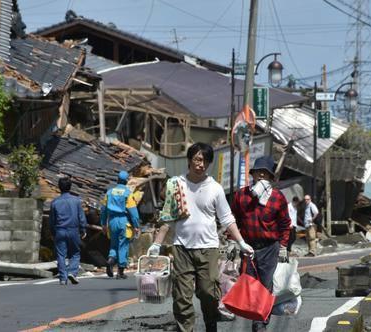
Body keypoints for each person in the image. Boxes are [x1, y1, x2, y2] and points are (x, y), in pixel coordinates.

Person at [146, 142, 254, 332]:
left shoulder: (215, 188)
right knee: (182, 295)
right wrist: (156, 244)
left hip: (209, 248)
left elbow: (227, 218)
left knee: (208, 291)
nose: (200, 164)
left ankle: (211, 323)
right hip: (181, 248)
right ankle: (186, 329)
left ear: (209, 164)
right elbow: (167, 218)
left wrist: (241, 242)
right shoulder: (176, 184)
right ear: (189, 160)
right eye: (197, 159)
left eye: (205, 160)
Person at [231, 155, 291, 332]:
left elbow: (285, 224)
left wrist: (283, 247)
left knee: (265, 287)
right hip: (247, 247)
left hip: (269, 249)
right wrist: (232, 242)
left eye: (266, 174)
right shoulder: (241, 195)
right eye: (259, 173)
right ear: (253, 175)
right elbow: (232, 220)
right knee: (250, 285)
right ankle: (256, 319)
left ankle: (260, 324)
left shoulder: (277, 197)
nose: (262, 177)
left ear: (271, 178)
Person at [100, 170, 140, 279]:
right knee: (123, 245)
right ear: (126, 181)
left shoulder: (109, 192)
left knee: (113, 244)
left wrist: (103, 224)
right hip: (123, 221)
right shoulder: (128, 193)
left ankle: (110, 260)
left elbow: (103, 209)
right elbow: (133, 211)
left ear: (117, 180)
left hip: (111, 221)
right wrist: (136, 225)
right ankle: (120, 271)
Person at [49, 177, 87, 285]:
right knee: (75, 253)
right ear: (70, 187)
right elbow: (81, 217)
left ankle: (62, 278)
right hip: (73, 230)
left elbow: (52, 220)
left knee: (61, 254)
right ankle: (72, 272)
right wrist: (83, 229)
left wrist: (52, 232)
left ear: (59, 187)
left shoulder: (54, 202)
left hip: (60, 230)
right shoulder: (76, 201)